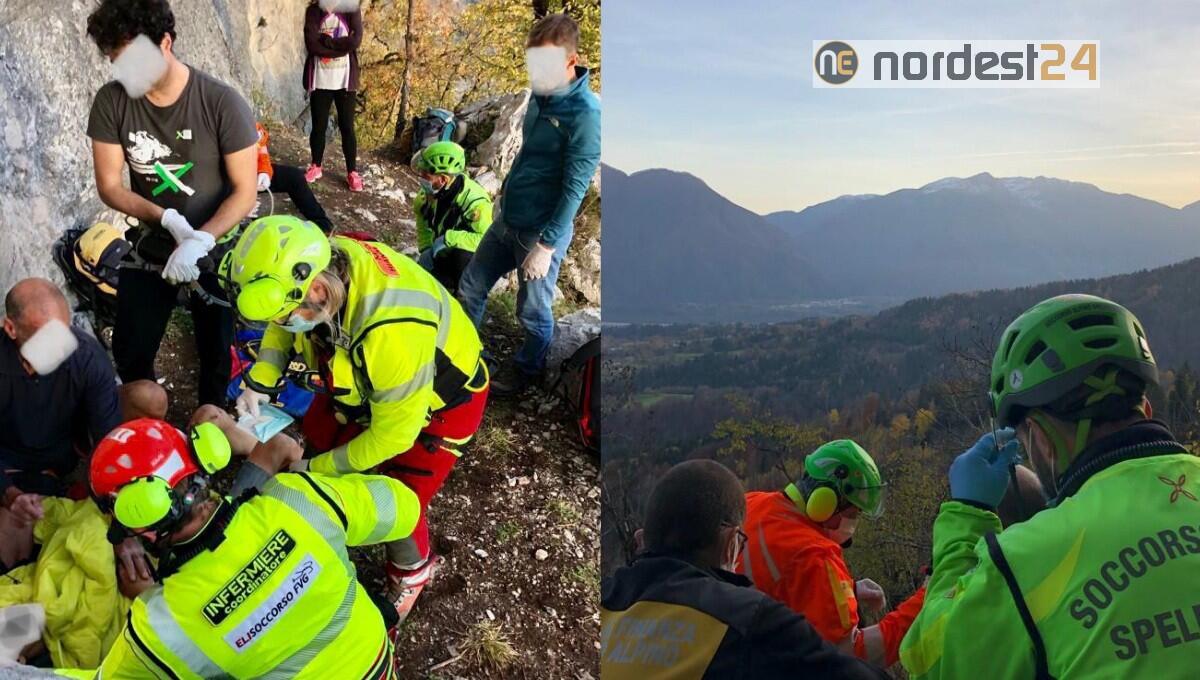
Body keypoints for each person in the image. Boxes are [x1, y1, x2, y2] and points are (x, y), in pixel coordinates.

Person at [901, 294, 1200, 678]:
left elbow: (932, 660)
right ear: (1145, 410)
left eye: (1025, 440)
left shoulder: (1024, 560)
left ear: (1041, 438)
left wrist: (966, 515)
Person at [222, 216, 489, 624]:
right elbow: (282, 325)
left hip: (443, 403)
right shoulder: (324, 264)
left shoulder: (392, 330)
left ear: (316, 289)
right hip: (365, 379)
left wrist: (319, 468)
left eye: (287, 312)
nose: (282, 322)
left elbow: (392, 437)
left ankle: (411, 573)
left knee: (398, 498)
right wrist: (259, 381)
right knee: (322, 430)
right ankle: (324, 499)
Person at [84, 418, 417, 678]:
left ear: (137, 516)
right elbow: (404, 509)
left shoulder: (159, 625)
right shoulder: (297, 498)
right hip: (378, 663)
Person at [86, 0, 258, 409]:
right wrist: (163, 217)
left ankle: (211, 424)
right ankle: (145, 427)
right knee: (131, 347)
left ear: (166, 42)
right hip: (153, 244)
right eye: (117, 62)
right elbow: (109, 184)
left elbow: (244, 190)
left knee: (216, 347)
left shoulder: (221, 103)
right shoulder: (113, 102)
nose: (127, 73)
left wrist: (201, 239)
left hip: (215, 248)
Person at [602, 459, 890, 679]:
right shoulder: (754, 621)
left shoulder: (606, 594)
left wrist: (846, 589)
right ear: (730, 544)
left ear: (641, 540)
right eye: (741, 542)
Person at [458, 13, 601, 396]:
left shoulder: (586, 115)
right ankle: (466, 356)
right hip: (509, 218)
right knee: (471, 285)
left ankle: (528, 371)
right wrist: (506, 190)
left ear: (571, 60)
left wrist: (548, 245)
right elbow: (528, 153)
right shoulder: (540, 95)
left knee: (532, 311)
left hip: (539, 232)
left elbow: (575, 187)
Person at [0, 279, 165, 573]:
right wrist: (10, 494)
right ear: (10, 329)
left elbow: (109, 441)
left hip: (65, 449)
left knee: (148, 397)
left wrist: (121, 525)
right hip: (10, 463)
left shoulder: (86, 356)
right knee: (14, 562)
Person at [738, 440, 926, 668]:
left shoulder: (750, 503)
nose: (853, 523)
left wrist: (848, 589)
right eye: (854, 513)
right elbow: (850, 659)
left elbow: (776, 585)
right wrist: (925, 600)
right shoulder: (816, 554)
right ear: (825, 501)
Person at [412, 141, 494, 295]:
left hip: (466, 259)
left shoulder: (475, 202)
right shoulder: (426, 196)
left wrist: (447, 239)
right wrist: (426, 250)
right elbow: (423, 223)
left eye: (425, 175)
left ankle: (464, 296)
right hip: (442, 253)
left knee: (462, 257)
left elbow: (486, 240)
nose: (421, 178)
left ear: (443, 179)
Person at [303, 0, 364, 192]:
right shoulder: (314, 11)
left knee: (347, 127)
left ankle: (352, 172)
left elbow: (355, 41)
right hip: (320, 78)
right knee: (318, 125)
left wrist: (327, 41)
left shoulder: (351, 10)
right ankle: (316, 165)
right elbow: (312, 44)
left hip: (344, 80)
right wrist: (340, 47)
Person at [256, 122, 335, 233]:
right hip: (229, 179)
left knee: (294, 177)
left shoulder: (242, 117)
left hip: (251, 172)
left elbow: (260, 146)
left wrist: (264, 170)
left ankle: (323, 228)